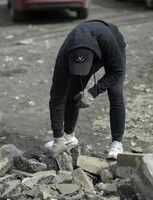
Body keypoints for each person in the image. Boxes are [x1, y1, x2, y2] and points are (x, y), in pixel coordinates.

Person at [45, 20, 126, 159]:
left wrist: (92, 92)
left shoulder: (106, 39)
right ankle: (68, 136)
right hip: (83, 52)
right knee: (73, 92)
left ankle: (117, 143)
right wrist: (57, 136)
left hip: (111, 49)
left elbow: (116, 71)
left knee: (115, 92)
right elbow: (56, 97)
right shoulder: (64, 56)